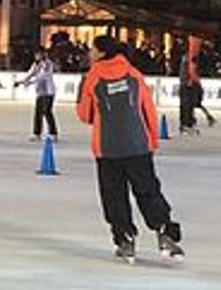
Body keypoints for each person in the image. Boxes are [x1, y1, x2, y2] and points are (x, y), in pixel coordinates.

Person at [76, 35, 184, 265]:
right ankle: (164, 232)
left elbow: (85, 116)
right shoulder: (134, 74)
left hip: (108, 148)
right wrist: (152, 141)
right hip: (138, 145)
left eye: (92, 50)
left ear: (102, 52)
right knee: (148, 190)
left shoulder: (92, 77)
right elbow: (148, 111)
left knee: (114, 195)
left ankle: (125, 239)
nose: (89, 53)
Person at [14, 46, 59, 139]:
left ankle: (53, 133)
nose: (37, 56)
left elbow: (43, 77)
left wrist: (30, 82)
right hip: (40, 92)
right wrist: (21, 82)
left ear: (43, 54)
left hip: (49, 92)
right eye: (36, 54)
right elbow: (30, 74)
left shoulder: (47, 64)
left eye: (39, 54)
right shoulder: (36, 64)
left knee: (47, 112)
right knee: (38, 112)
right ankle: (37, 133)